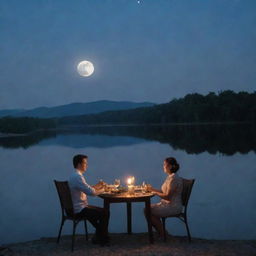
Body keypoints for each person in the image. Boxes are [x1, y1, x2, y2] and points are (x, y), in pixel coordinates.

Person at [68, 154, 110, 246]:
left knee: (102, 213)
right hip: (79, 209)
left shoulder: (74, 175)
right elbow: (91, 193)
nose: (87, 165)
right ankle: (102, 238)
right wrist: (105, 189)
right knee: (105, 213)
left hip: (75, 207)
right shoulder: (77, 177)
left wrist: (98, 185)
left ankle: (99, 236)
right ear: (79, 164)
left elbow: (87, 188)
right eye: (85, 163)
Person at [145, 157, 183, 238]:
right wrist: (151, 189)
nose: (163, 166)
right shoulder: (170, 177)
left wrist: (154, 192)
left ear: (170, 166)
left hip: (173, 207)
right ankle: (163, 232)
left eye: (164, 165)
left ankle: (163, 234)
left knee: (147, 210)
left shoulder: (173, 179)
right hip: (167, 204)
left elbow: (168, 197)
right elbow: (163, 192)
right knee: (147, 209)